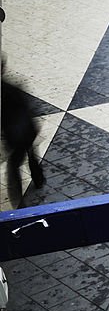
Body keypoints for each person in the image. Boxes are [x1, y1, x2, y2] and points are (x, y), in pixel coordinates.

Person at [1, 70, 46, 209]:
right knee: (31, 153)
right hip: (27, 130)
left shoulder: (5, 92)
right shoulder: (12, 87)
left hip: (17, 135)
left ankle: (19, 204)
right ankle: (38, 179)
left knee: (13, 167)